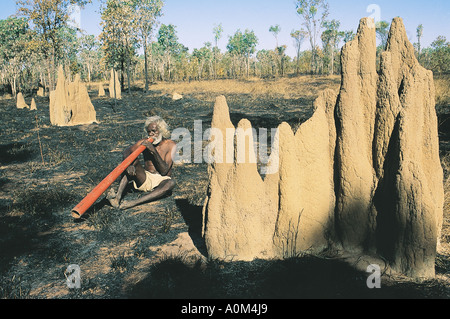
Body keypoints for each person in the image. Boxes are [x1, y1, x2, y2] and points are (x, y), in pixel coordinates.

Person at [107, 116, 176, 210]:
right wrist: (129, 165)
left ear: (161, 130)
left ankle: (133, 203)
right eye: (149, 132)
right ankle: (117, 197)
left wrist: (154, 151)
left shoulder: (171, 145)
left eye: (154, 131)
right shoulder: (144, 142)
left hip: (162, 180)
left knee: (171, 183)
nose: (151, 134)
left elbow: (164, 171)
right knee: (132, 161)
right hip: (145, 178)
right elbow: (127, 151)